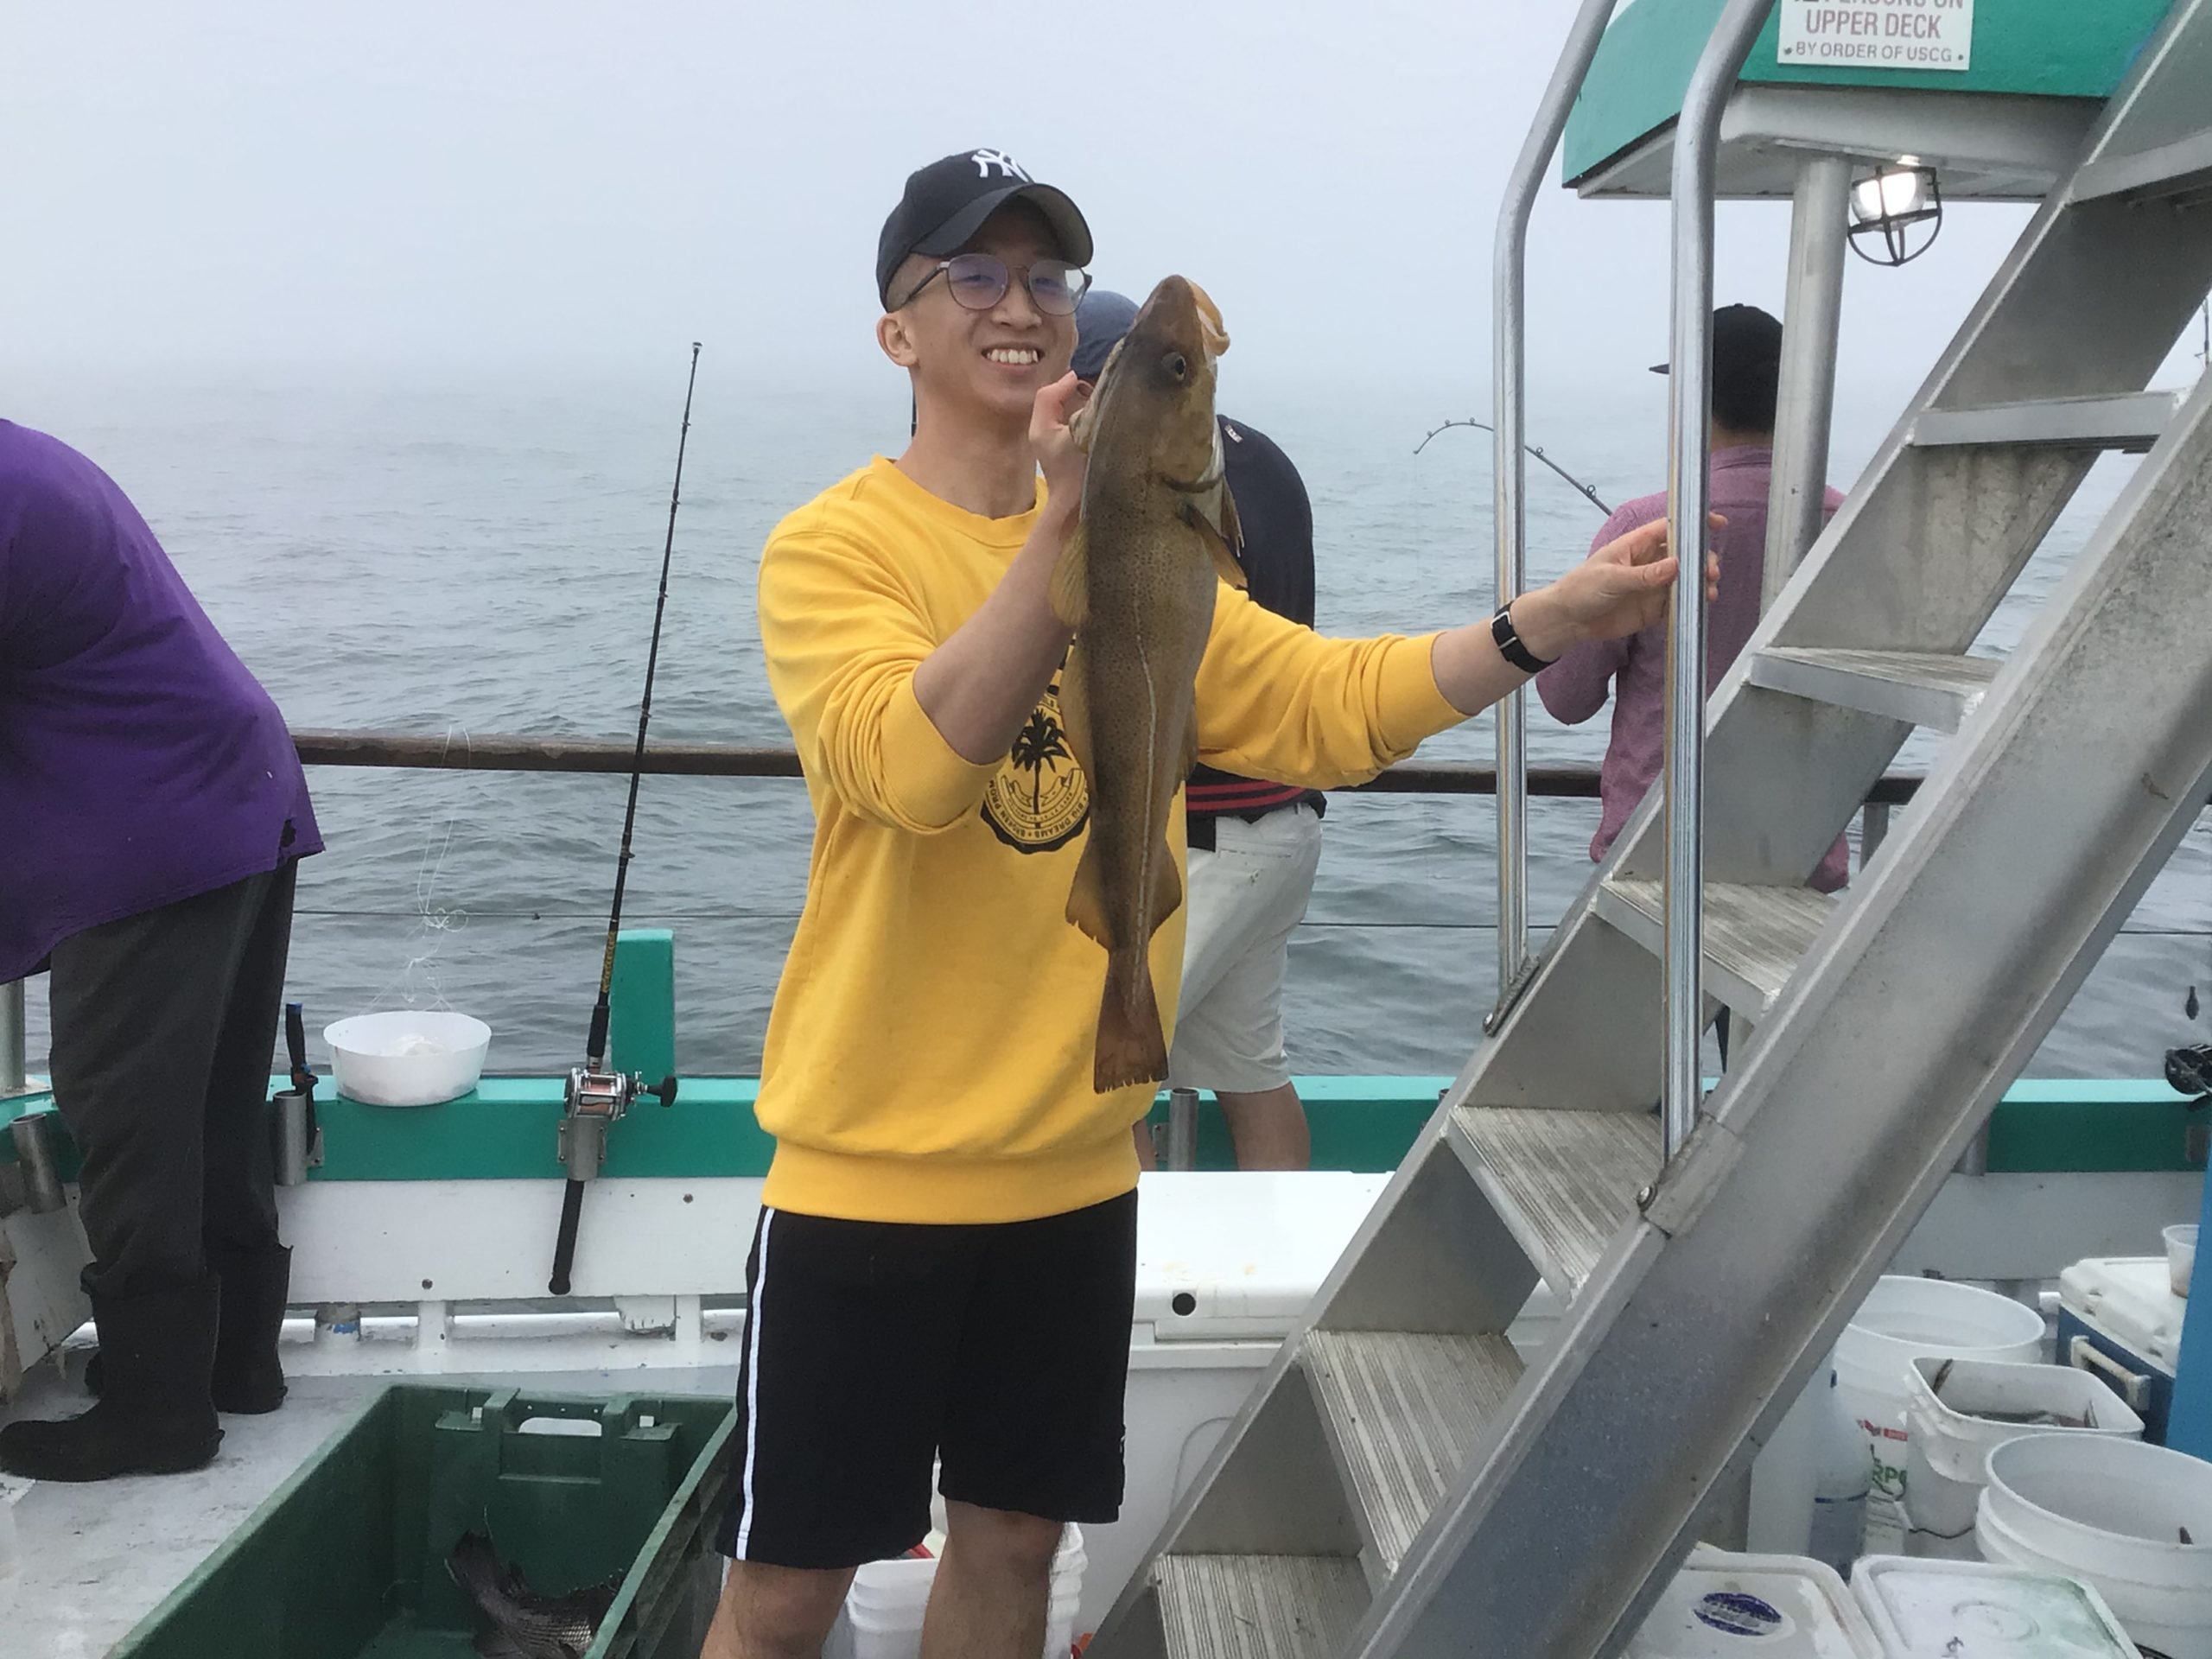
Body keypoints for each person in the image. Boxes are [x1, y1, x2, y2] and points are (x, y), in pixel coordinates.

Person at [703, 147, 1709, 1659]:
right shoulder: (835, 547)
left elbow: (1325, 704)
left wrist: (1539, 623)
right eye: (973, 275)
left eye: (1047, 276)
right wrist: (1066, 524)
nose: (1019, 304)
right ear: (897, 330)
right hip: (874, 1177)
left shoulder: (1166, 550)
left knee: (1015, 1548)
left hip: (1074, 1172)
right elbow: (912, 769)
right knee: (788, 1593)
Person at [0, 422, 320, 1483]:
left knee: (127, 1112)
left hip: (153, 828)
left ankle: (156, 1413)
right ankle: (236, 1366)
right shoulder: (28, 462)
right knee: (210, 1101)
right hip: (232, 790)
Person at [1071, 288, 1320, 1172]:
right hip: (1286, 821)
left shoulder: (1141, 475)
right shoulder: (1260, 460)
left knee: (1100, 1086)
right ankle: (1285, 1261)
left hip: (1207, 827)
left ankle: (1122, 1253)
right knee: (1251, 1071)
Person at [1538, 302, 1851, 893]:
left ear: (1694, 399)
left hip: (1656, 855)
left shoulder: (1644, 527)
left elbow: (1566, 700)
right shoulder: (1849, 526)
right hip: (1801, 855)